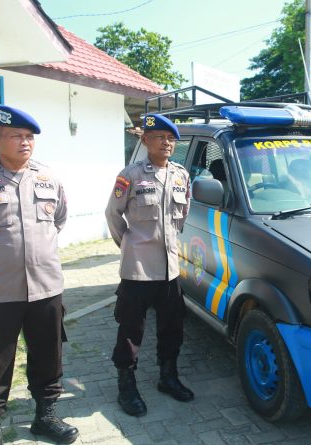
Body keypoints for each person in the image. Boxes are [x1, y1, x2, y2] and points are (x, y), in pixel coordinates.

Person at [0, 105, 79, 444]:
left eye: (29, 137)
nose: (25, 142)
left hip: (45, 287)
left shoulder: (48, 178)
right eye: (16, 136)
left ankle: (45, 416)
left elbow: (59, 220)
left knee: (48, 355)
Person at [104, 113, 194, 417]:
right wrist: (128, 246)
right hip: (138, 269)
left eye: (170, 138)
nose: (166, 143)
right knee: (131, 330)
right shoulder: (130, 175)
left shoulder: (181, 175)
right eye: (159, 137)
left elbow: (181, 218)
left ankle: (168, 377)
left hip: (170, 269)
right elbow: (113, 216)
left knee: (172, 327)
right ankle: (126, 386)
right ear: (145, 141)